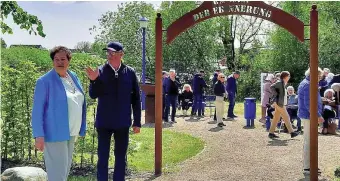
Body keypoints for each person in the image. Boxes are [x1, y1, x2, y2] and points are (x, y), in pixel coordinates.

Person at [86, 41, 141, 181]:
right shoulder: (100, 71)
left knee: (121, 156)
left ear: (121, 54)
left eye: (112, 52)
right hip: (104, 122)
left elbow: (136, 98)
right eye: (108, 52)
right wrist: (94, 81)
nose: (109, 55)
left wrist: (137, 122)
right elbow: (93, 94)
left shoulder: (130, 72)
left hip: (122, 122)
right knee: (103, 156)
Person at [32, 46, 86, 181]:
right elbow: (37, 111)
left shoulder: (72, 76)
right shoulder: (44, 81)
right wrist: (38, 135)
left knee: (64, 171)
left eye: (63, 59)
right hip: (54, 133)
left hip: (71, 131)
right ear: (52, 61)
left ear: (69, 61)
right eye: (56, 59)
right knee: (57, 174)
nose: (59, 62)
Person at [297, 67, 324, 174]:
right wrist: (318, 115)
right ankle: (308, 167)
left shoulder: (306, 83)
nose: (320, 78)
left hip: (308, 115)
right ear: (314, 74)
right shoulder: (308, 85)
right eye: (319, 76)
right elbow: (309, 104)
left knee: (310, 140)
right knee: (309, 141)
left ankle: (310, 165)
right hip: (309, 116)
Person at [268, 71, 299, 139]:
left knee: (276, 118)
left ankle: (271, 133)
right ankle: (292, 132)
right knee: (287, 117)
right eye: (288, 76)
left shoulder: (282, 83)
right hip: (279, 103)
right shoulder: (280, 83)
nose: (289, 77)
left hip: (280, 103)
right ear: (285, 76)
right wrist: (276, 94)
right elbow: (271, 87)